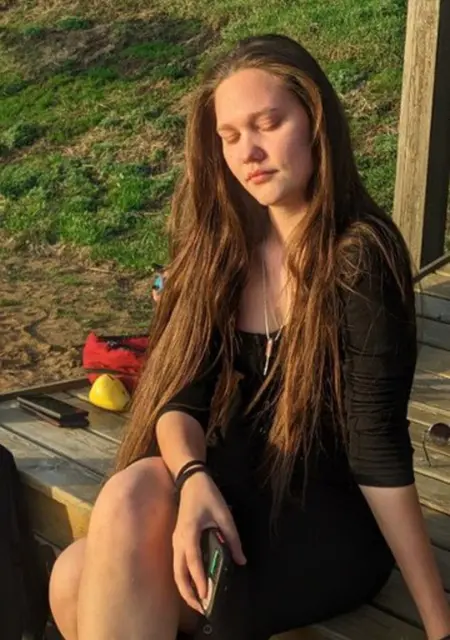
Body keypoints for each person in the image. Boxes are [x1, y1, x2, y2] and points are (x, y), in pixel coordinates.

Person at [49, 34, 450, 640]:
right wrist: (192, 479)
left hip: (324, 528)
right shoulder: (222, 247)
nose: (249, 153)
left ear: (315, 123)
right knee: (74, 569)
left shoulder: (359, 257)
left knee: (98, 558)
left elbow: (378, 452)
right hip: (232, 498)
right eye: (231, 135)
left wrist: (437, 621)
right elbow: (180, 401)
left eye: (268, 124)